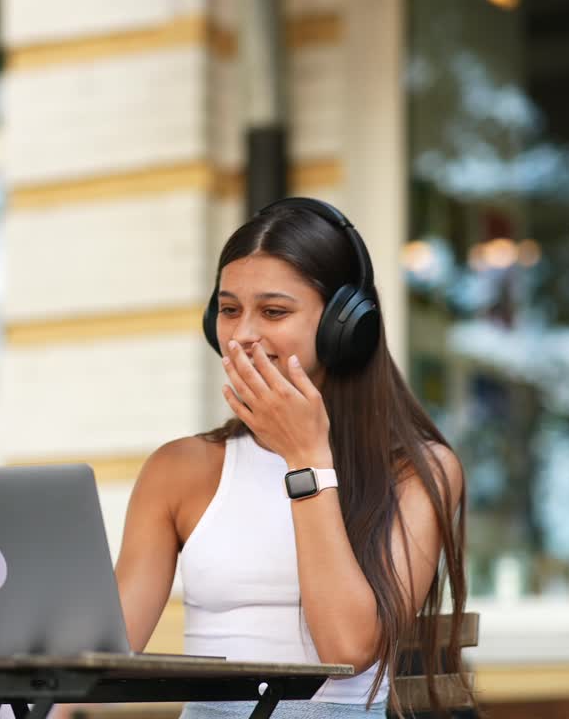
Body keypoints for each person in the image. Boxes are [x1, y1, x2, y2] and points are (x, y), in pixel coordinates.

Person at [113, 198, 471, 718]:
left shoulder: (421, 469)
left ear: (346, 326)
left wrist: (306, 459)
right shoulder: (178, 469)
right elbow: (106, 649)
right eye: (230, 310)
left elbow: (346, 648)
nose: (243, 335)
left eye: (274, 311)